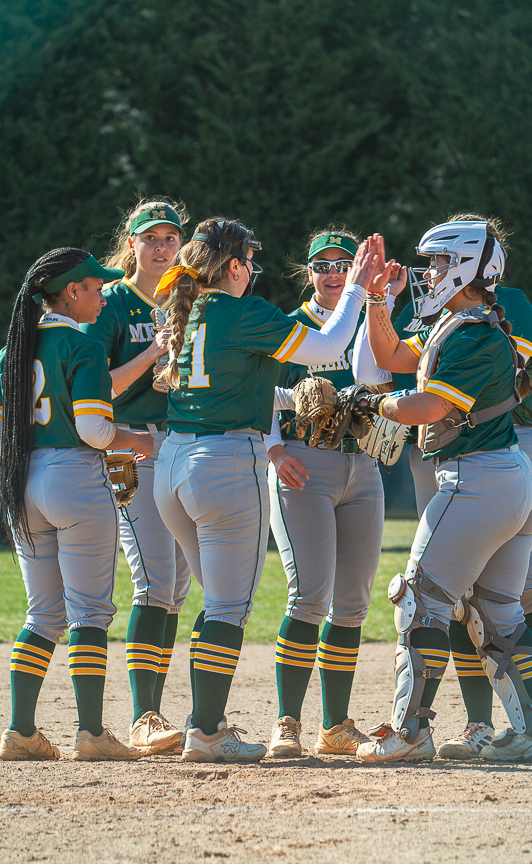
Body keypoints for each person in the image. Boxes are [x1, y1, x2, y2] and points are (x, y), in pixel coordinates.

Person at [151, 218, 393, 762]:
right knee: (228, 606)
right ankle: (207, 731)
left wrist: (291, 399)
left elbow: (237, 380)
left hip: (174, 462)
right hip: (224, 461)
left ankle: (202, 723)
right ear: (233, 266)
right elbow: (329, 341)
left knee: (215, 602)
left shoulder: (191, 312)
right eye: (249, 261)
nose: (253, 270)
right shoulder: (245, 311)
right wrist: (356, 286)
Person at [354, 218, 532, 761]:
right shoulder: (460, 323)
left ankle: (410, 732)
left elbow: (425, 409)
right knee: (497, 611)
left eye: (440, 263)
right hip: (504, 478)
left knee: (419, 601)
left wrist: (368, 404)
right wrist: (373, 300)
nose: (430, 272)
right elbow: (392, 358)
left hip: (478, 479)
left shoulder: (474, 332)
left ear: (465, 266)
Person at [0, 247, 155, 762]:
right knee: (89, 613)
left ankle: (20, 731)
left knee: (42, 614)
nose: (102, 295)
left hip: (23, 477)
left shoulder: (12, 348)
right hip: (76, 478)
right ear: (72, 291)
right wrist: (135, 440)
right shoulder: (81, 345)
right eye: (96, 288)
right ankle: (93, 734)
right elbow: (93, 429)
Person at [262, 229, 404, 758]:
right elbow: (259, 397)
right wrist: (275, 453)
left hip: (360, 464)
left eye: (342, 263)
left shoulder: (369, 318)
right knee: (309, 595)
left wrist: (381, 302)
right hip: (304, 464)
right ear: (308, 272)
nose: (331, 272)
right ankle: (287, 723)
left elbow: (374, 378)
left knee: (351, 604)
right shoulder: (290, 325)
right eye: (320, 264)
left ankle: (335, 725)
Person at [82, 199, 191, 755]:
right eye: (152, 238)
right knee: (152, 579)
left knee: (175, 588)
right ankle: (143, 716)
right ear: (131, 244)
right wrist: (154, 350)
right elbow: (99, 387)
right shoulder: (113, 302)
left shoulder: (186, 298)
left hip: (183, 442)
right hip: (129, 444)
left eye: (171, 238)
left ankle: (157, 708)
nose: (162, 247)